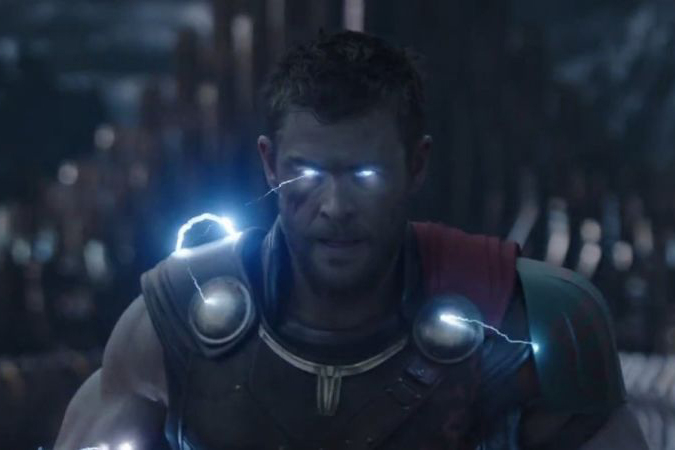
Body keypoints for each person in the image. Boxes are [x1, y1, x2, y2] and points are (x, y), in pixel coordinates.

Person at [55, 30, 648, 450]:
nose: (335, 207)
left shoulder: (524, 321)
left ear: (416, 166)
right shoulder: (168, 326)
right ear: (270, 164)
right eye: (308, 174)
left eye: (365, 175)